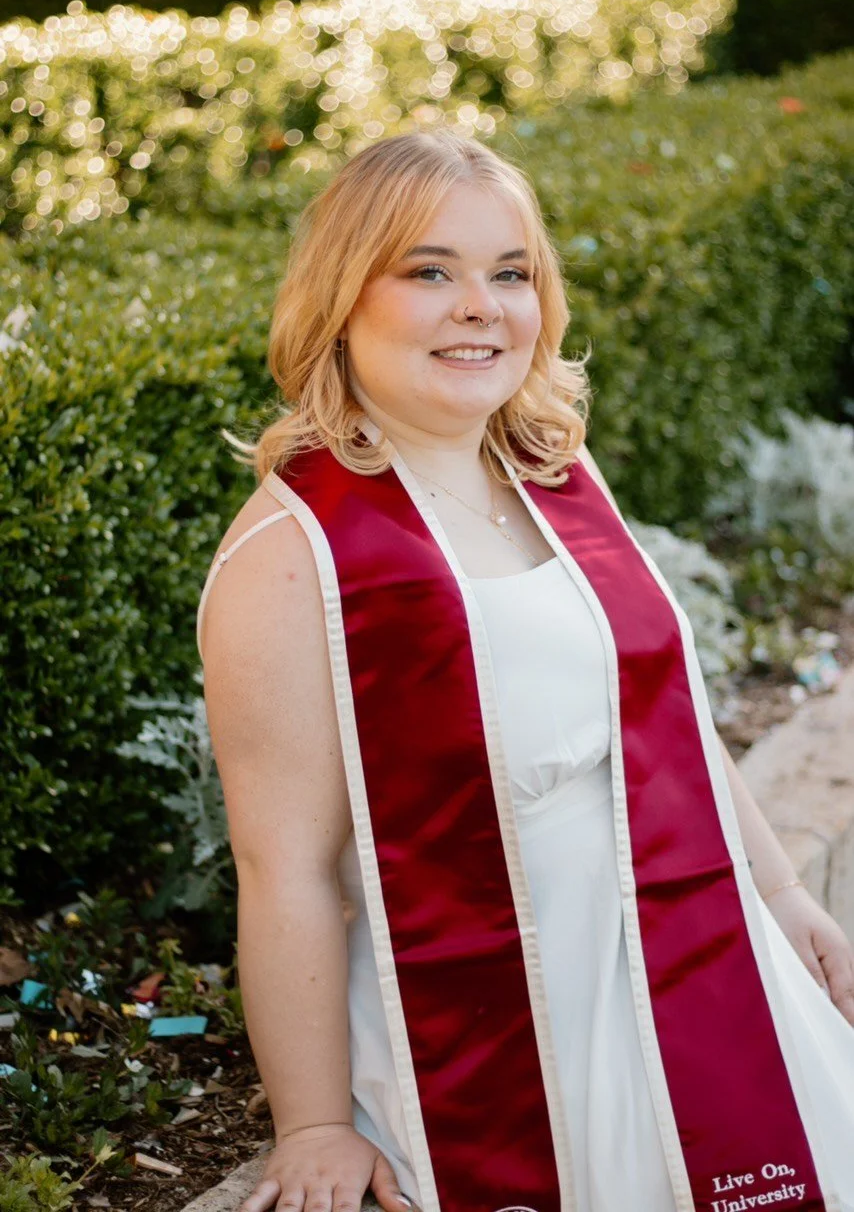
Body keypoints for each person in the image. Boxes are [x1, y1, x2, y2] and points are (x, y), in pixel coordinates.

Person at [196, 129, 854, 1212]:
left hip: (699, 958)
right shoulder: (290, 556)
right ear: (339, 297)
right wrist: (312, 1121)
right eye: (427, 270)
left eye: (509, 273)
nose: (479, 305)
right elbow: (287, 871)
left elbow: (662, 715)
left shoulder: (549, 469)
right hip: (514, 1015)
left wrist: (780, 893)